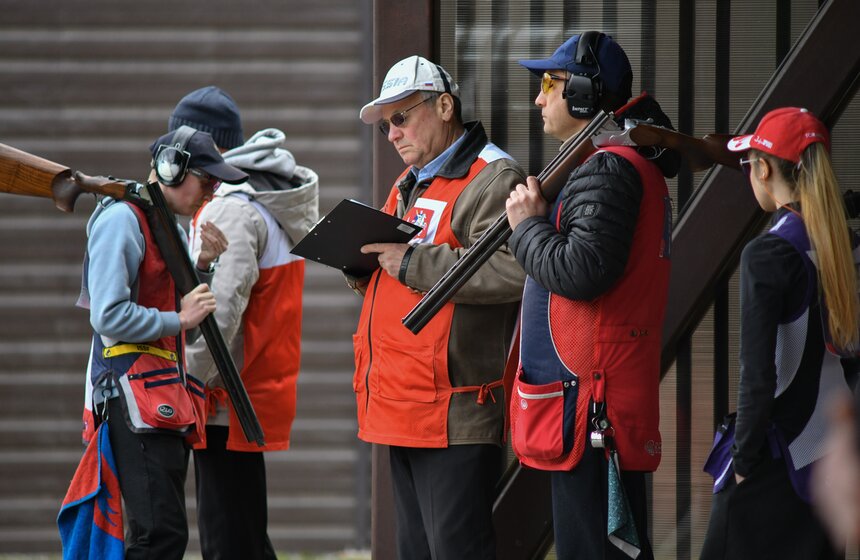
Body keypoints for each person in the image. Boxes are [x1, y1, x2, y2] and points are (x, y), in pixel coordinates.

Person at [505, 32, 680, 559]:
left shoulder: (608, 168)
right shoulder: (614, 164)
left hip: (592, 411)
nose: (538, 98)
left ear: (583, 93)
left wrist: (527, 227)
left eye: (550, 84)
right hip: (594, 405)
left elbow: (581, 271)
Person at [352, 55, 526, 559]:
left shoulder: (492, 176)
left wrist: (410, 262)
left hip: (452, 412)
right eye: (386, 126)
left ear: (445, 106)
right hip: (403, 403)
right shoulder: (410, 181)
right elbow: (398, 272)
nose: (392, 134)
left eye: (401, 118)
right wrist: (360, 266)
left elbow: (514, 270)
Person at [77, 127, 247, 558]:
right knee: (159, 536)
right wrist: (180, 317)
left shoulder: (164, 225)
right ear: (171, 168)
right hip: (129, 397)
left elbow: (180, 318)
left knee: (160, 534)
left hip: (156, 396)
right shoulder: (122, 219)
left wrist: (201, 267)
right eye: (206, 179)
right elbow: (108, 316)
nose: (211, 191)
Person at [169, 85, 319, 559]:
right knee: (245, 533)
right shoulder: (264, 196)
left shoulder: (229, 207)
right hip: (254, 386)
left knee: (229, 540)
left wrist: (183, 387)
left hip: (223, 397)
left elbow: (220, 312)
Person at [700, 107, 856, 559]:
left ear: (764, 169)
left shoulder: (769, 253)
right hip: (828, 461)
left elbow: (758, 375)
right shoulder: (846, 244)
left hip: (774, 460)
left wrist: (743, 462)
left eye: (748, 164)